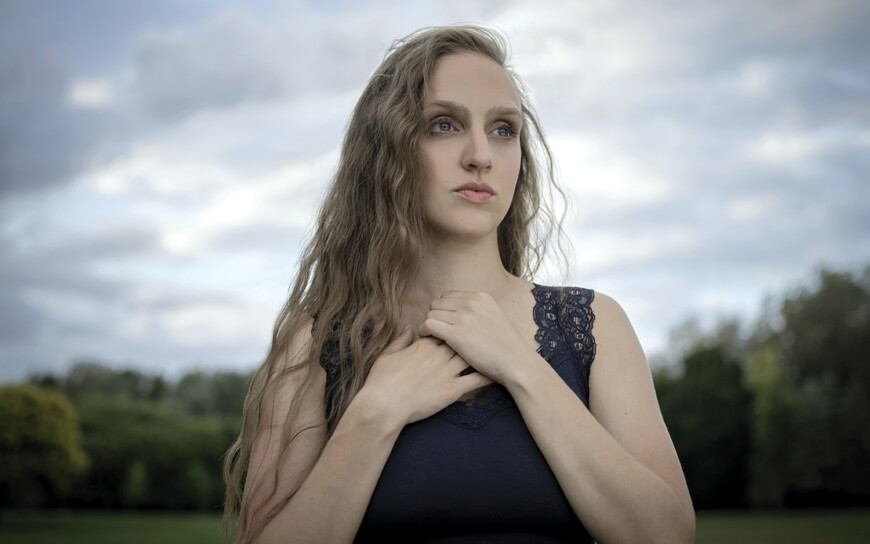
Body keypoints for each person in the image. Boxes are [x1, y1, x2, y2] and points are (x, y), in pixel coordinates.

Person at [223, 25, 694, 544]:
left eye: (503, 129)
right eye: (444, 125)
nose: (480, 155)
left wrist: (521, 366)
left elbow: (667, 535)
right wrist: (375, 414)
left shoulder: (594, 325)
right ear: (387, 151)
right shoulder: (315, 339)